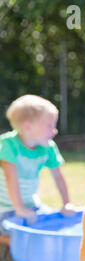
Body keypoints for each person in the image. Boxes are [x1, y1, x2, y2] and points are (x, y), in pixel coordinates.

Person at [0, 95, 77, 247]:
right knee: (22, 240)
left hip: (31, 205)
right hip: (4, 208)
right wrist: (19, 209)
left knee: (53, 226)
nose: (54, 131)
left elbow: (58, 176)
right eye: (49, 125)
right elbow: (10, 177)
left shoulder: (48, 147)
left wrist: (67, 203)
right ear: (28, 126)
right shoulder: (8, 145)